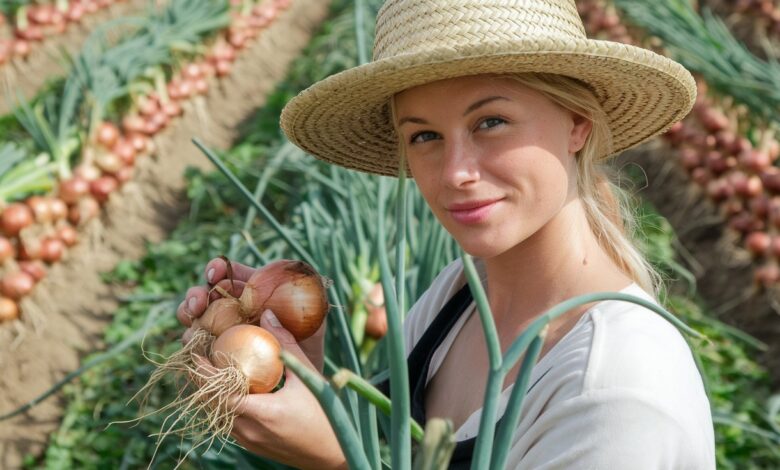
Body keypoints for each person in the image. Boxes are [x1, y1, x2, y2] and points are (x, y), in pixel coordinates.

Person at [177, 0, 715, 468]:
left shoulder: (617, 389)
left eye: (491, 122)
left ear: (578, 122)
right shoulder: (459, 292)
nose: (455, 171)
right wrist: (309, 381)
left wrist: (338, 460)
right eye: (425, 135)